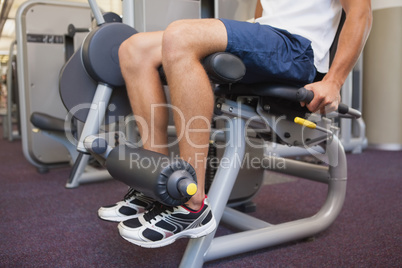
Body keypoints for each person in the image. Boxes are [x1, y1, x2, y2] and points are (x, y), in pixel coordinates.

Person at [98, 0, 372, 248]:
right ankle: (158, 187)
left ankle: (192, 204)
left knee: (180, 35)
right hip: (267, 36)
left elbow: (361, 11)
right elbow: (262, 11)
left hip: (298, 47)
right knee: (133, 49)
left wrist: (334, 82)